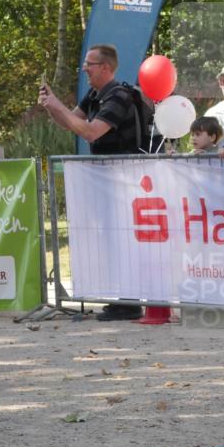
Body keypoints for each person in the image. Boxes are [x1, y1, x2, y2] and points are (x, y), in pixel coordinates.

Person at [38, 44, 144, 321]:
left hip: (125, 177)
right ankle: (124, 299)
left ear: (106, 67)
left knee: (123, 237)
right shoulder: (96, 94)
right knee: (111, 236)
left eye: (90, 64)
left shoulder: (118, 96)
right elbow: (72, 121)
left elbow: (92, 132)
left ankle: (131, 302)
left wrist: (58, 105)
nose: (85, 68)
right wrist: (52, 106)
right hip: (106, 177)